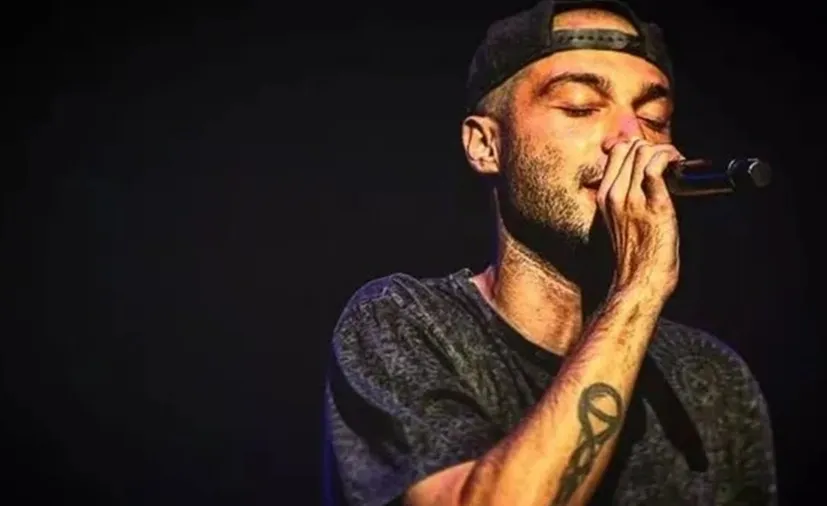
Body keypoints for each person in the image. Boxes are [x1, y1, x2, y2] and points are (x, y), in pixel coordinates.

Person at [322, 0, 778, 504]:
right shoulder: (404, 322)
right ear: (486, 145)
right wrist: (639, 291)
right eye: (580, 107)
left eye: (654, 117)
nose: (631, 139)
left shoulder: (711, 377)